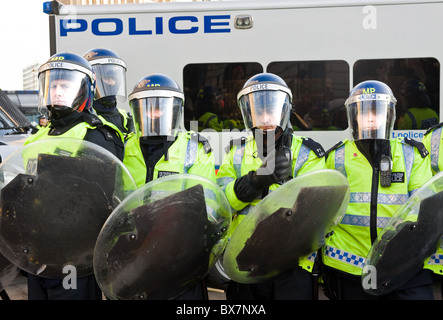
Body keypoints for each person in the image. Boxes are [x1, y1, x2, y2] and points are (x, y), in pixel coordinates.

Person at [216, 73, 327, 300]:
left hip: (292, 265)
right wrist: (254, 181)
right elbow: (222, 203)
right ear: (248, 113)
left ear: (284, 110)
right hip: (244, 261)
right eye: (259, 110)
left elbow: (316, 212)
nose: (265, 116)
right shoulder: (235, 152)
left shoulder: (307, 153)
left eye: (271, 109)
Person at [23, 51, 125, 300]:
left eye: (65, 85)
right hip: (38, 251)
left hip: (74, 255)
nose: (57, 91)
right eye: (53, 84)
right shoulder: (40, 134)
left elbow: (94, 202)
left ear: (83, 88)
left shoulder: (97, 134)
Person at [321, 80, 434, 300]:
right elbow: (322, 212)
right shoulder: (336, 156)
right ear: (354, 117)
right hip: (349, 265)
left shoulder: (412, 155)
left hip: (404, 266)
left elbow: (423, 206)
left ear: (389, 116)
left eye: (377, 112)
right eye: (364, 113)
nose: (371, 118)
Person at [123, 73, 216, 299]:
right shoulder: (124, 147)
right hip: (132, 259)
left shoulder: (195, 149)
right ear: (137, 111)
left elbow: (207, 206)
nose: (154, 113)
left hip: (177, 261)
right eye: (148, 108)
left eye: (161, 108)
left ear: (175, 110)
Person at [83, 48, 134, 145]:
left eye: (114, 78)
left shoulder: (127, 120)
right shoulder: (80, 119)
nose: (111, 83)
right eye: (105, 78)